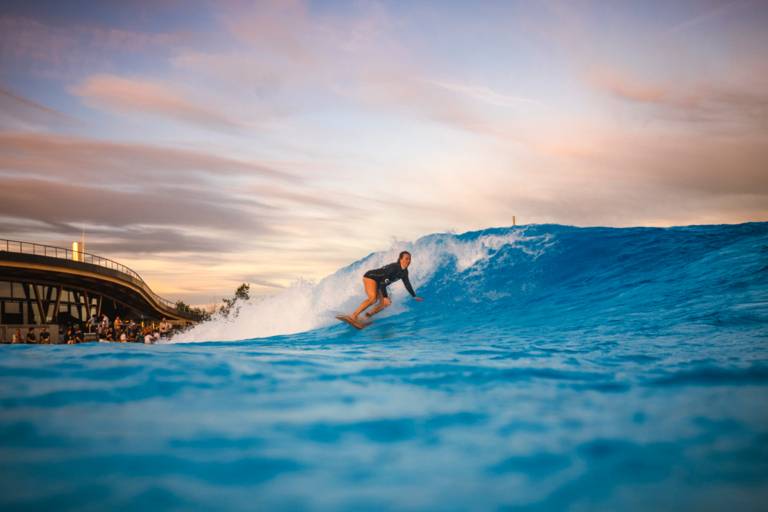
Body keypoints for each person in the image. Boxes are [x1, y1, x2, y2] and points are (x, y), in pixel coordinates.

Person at [347, 251, 423, 323]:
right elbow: (383, 282)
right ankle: (353, 316)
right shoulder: (394, 267)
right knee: (373, 299)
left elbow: (407, 284)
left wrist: (414, 296)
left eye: (410, 259)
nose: (409, 261)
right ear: (400, 259)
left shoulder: (404, 272)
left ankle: (367, 316)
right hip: (371, 277)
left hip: (380, 283)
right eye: (406, 259)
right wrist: (385, 297)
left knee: (386, 303)